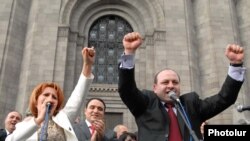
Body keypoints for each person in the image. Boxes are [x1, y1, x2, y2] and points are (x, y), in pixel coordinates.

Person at [118, 32, 245, 141]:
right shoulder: (146, 103)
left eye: (175, 82)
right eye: (165, 82)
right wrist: (129, 53)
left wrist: (235, 65)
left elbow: (224, 99)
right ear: (155, 88)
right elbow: (126, 89)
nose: (171, 85)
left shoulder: (191, 104)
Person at [6, 46, 95, 141]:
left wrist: (87, 65)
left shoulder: (63, 118)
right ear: (36, 101)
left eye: (54, 97)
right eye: (46, 95)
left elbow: (78, 95)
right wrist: (39, 120)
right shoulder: (23, 126)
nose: (50, 99)